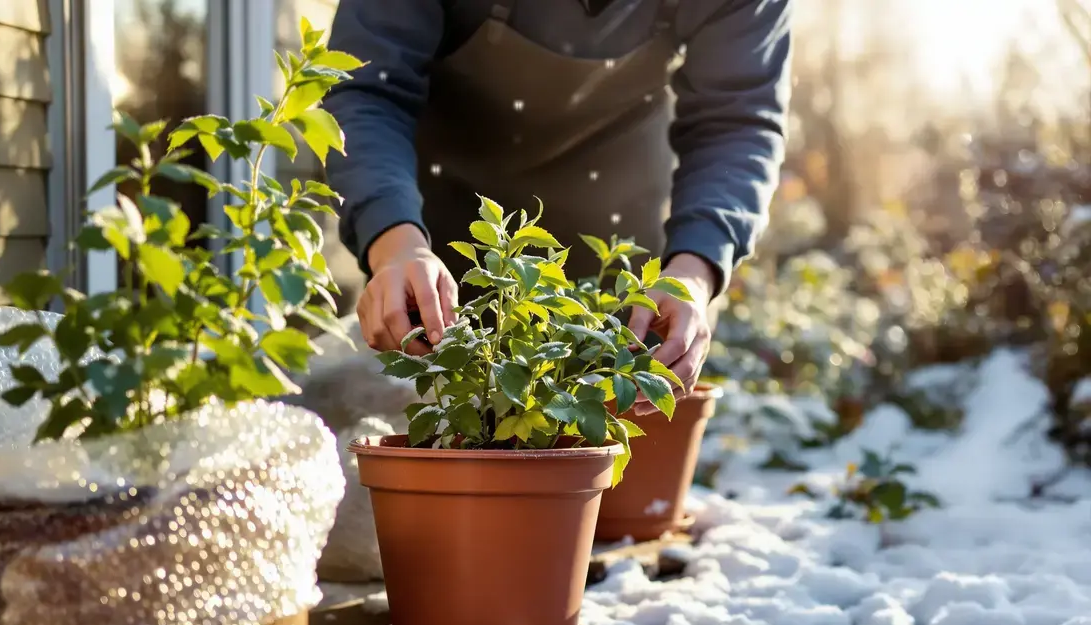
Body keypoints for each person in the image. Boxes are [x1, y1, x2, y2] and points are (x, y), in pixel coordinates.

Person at [322, 0, 791, 414]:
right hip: (439, 252)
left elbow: (737, 122)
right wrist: (394, 242)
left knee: (603, 478)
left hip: (622, 249)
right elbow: (368, 89)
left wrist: (693, 270)